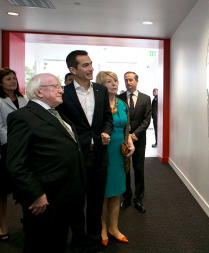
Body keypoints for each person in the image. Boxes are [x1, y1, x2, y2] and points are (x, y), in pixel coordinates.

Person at [6, 73, 85, 253]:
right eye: (56, 86)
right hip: (46, 197)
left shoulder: (56, 113)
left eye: (60, 86)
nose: (61, 90)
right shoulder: (23, 117)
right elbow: (16, 164)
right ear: (39, 92)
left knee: (57, 241)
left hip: (65, 193)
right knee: (41, 243)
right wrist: (35, 194)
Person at [57, 50, 113, 253]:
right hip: (76, 158)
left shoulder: (100, 90)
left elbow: (107, 117)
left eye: (90, 64)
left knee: (96, 205)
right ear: (72, 69)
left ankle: (94, 243)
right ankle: (79, 244)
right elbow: (61, 124)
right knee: (76, 205)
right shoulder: (64, 93)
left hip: (99, 155)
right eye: (85, 65)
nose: (91, 69)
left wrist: (106, 132)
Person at [96, 71, 135, 246]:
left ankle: (114, 228)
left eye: (115, 81)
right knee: (103, 192)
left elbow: (127, 127)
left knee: (117, 191)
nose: (114, 84)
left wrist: (131, 145)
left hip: (120, 153)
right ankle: (102, 229)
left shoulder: (122, 104)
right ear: (101, 85)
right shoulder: (98, 104)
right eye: (109, 81)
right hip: (104, 151)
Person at [117, 71, 151, 213]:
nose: (128, 82)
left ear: (137, 81)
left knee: (138, 168)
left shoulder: (145, 98)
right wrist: (127, 135)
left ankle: (138, 199)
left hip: (139, 139)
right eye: (126, 80)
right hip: (123, 140)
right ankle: (126, 198)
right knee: (125, 169)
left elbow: (147, 119)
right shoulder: (119, 99)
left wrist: (135, 134)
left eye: (131, 80)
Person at [0, 68, 28, 241]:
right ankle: (2, 225)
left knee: (25, 187)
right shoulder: (0, 101)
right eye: (8, 79)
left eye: (14, 78)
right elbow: (0, 127)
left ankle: (28, 220)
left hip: (25, 147)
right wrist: (10, 144)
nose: (12, 81)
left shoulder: (23, 99)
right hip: (7, 148)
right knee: (2, 190)